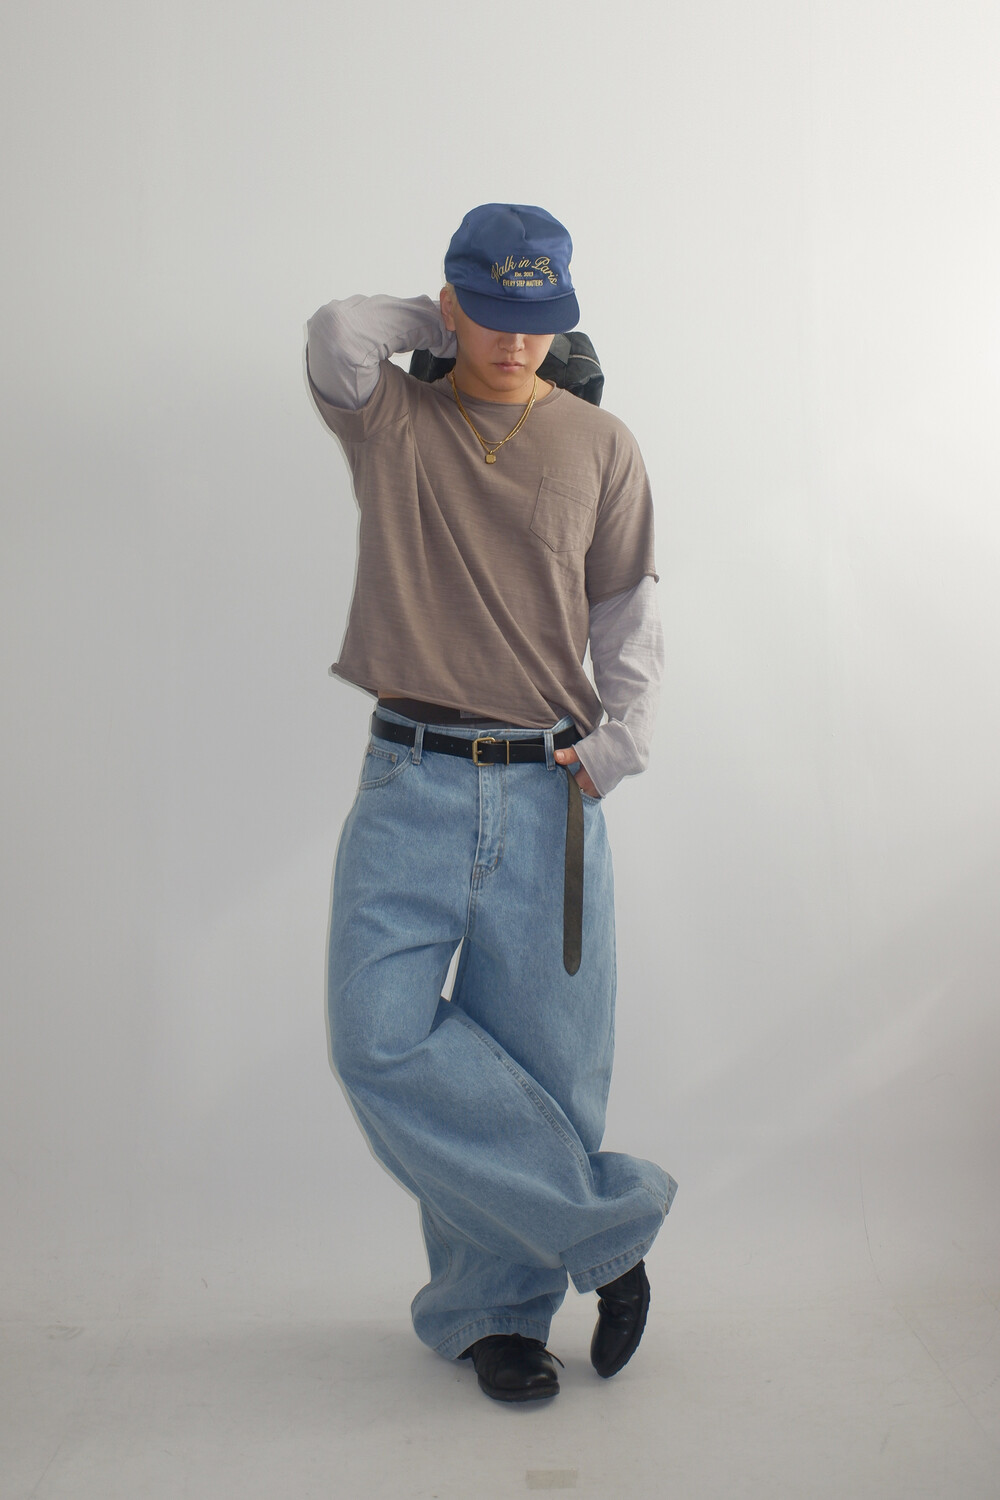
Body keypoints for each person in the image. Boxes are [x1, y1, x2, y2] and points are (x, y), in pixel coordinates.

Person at [306, 203, 677, 1404]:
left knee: (545, 1064)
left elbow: (627, 611)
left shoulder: (600, 442)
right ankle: (608, 1236)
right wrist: (440, 326)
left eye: (541, 319)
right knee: (377, 1037)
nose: (519, 343)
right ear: (454, 303)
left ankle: (497, 1317)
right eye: (496, 315)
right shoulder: (394, 420)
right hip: (409, 778)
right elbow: (336, 333)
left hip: (547, 790)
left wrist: (620, 748)